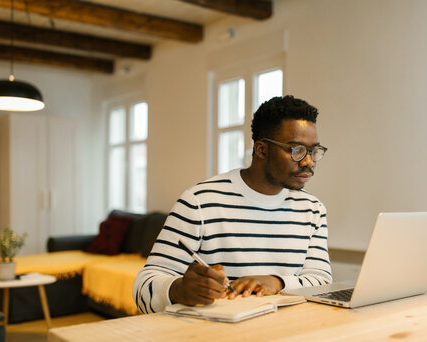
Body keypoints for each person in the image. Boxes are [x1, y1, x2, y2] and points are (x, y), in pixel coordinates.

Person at [133, 95, 332, 313]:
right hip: (216, 337)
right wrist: (178, 289)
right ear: (261, 150)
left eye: (313, 151)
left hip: (285, 335)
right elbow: (144, 287)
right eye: (297, 150)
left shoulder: (312, 209)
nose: (308, 161)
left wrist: (276, 282)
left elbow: (321, 281)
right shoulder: (199, 202)